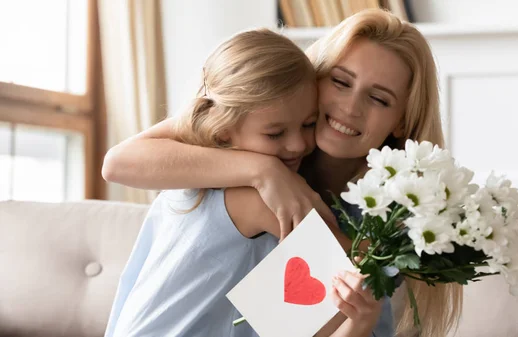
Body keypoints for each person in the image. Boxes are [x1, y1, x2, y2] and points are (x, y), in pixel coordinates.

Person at [103, 9, 462, 337]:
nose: (351, 108)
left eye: (379, 98)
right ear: (317, 76)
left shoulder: (381, 217)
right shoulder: (245, 138)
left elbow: (303, 323)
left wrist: (361, 317)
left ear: (402, 120)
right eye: (340, 81)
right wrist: (263, 170)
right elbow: (118, 162)